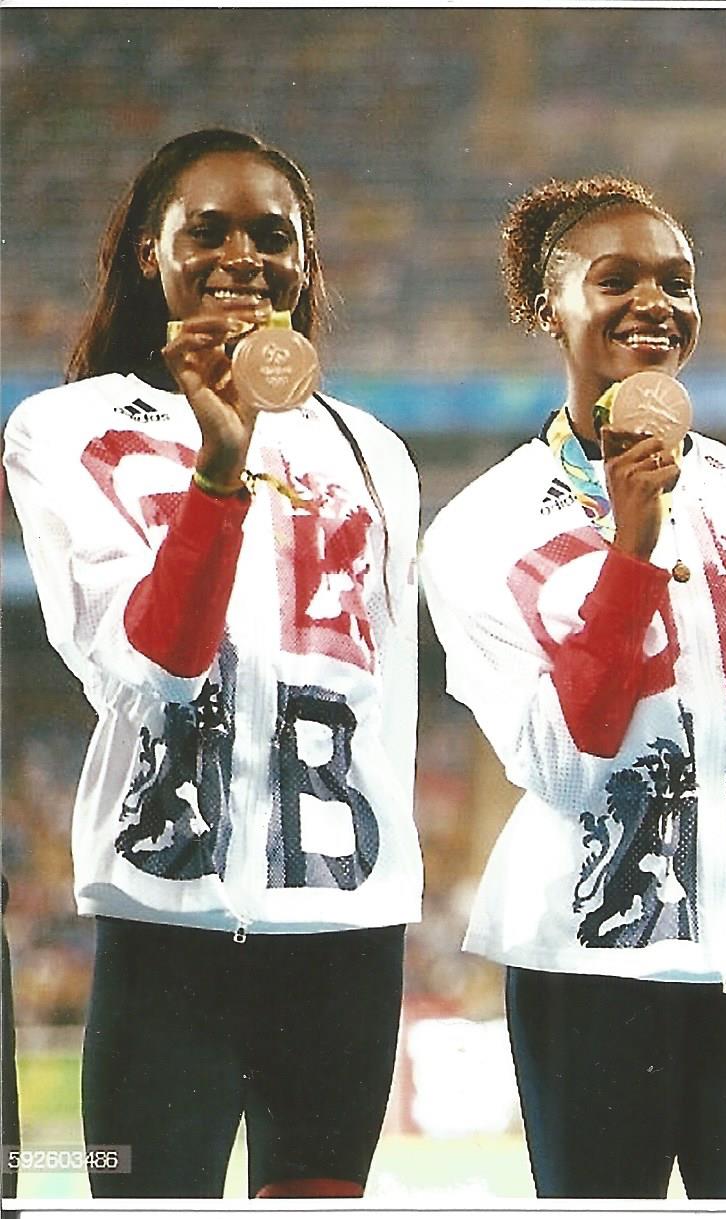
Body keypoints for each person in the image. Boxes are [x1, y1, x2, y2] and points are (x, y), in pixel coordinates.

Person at [2, 128, 421, 1198]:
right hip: (167, 915)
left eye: (274, 235)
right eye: (211, 229)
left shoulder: (373, 447)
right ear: (151, 251)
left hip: (344, 921)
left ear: (307, 260)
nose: (245, 255)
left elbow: (392, 703)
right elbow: (150, 663)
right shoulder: (64, 429)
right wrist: (221, 465)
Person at [421, 176, 726, 1199]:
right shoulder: (483, 526)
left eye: (676, 282)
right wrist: (630, 554)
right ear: (545, 307)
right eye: (615, 280)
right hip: (589, 960)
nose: (654, 302)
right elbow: (560, 764)